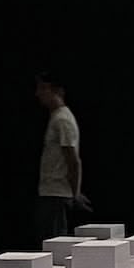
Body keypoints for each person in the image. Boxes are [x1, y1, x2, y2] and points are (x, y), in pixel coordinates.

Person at [34, 76, 88, 242]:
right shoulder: (57, 117)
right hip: (51, 191)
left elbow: (73, 160)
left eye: (43, 88)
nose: (38, 93)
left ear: (58, 91)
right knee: (49, 241)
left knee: (54, 243)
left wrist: (75, 192)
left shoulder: (62, 119)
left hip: (56, 192)